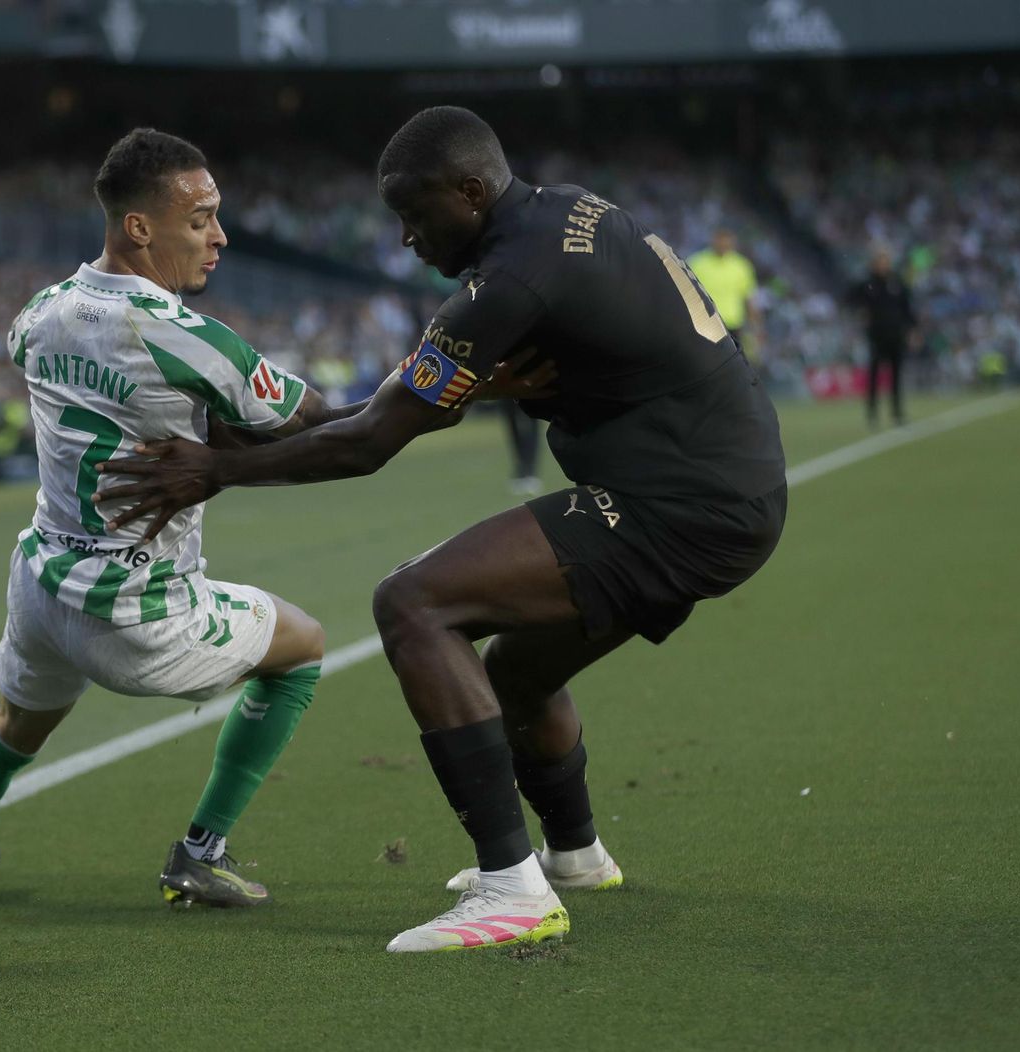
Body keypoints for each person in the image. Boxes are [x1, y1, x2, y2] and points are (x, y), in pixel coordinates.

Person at [99, 107, 788, 952]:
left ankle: (512, 890)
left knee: (415, 603)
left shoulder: (507, 283)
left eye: (416, 215)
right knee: (516, 668)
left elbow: (371, 443)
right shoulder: (567, 211)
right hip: (720, 484)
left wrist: (218, 470)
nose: (405, 240)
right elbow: (389, 412)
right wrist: (252, 443)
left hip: (680, 503)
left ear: (470, 192)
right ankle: (573, 858)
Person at [0, 128, 341, 908]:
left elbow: (37, 360)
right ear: (139, 228)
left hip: (43, 581)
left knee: (17, 724)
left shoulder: (42, 309)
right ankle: (200, 852)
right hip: (138, 611)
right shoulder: (188, 338)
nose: (220, 236)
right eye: (202, 221)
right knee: (302, 648)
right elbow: (318, 423)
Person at [852, 247, 918, 427]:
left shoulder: (897, 283)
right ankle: (872, 414)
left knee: (896, 376)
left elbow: (908, 309)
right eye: (880, 260)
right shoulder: (868, 284)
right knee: (874, 376)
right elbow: (852, 301)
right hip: (876, 337)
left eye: (885, 260)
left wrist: (913, 330)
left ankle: (897, 413)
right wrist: (859, 314)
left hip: (896, 336)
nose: (883, 264)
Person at [688, 229, 761, 361]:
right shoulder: (697, 263)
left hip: (732, 325)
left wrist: (756, 328)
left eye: (727, 242)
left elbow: (749, 298)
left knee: (729, 363)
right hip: (704, 322)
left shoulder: (741, 266)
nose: (723, 245)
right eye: (721, 241)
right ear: (714, 240)